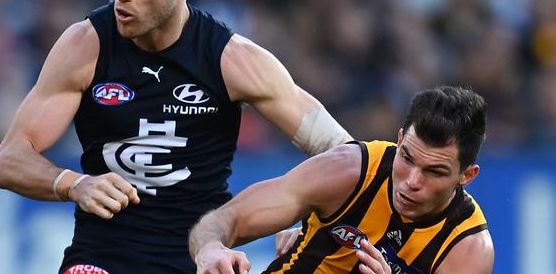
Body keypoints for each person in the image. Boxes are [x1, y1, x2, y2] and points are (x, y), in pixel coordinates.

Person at [0, 0, 352, 273]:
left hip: (200, 259)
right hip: (101, 259)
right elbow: (9, 160)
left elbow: (348, 156)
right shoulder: (85, 46)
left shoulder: (233, 60)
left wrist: (308, 225)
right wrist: (74, 184)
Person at [189, 86, 495, 274]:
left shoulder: (467, 250)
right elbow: (222, 220)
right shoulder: (350, 170)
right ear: (399, 140)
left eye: (434, 171)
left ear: (467, 175)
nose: (412, 181)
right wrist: (211, 248)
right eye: (407, 158)